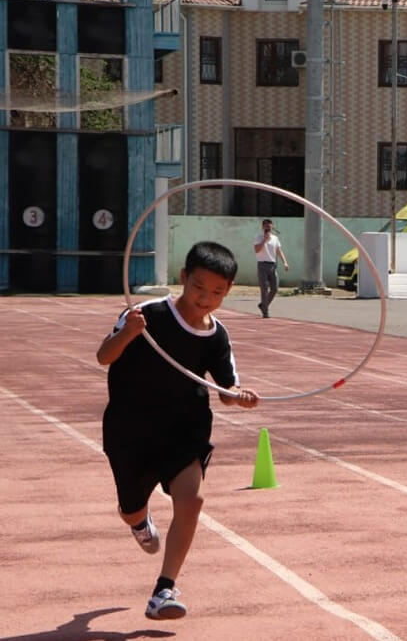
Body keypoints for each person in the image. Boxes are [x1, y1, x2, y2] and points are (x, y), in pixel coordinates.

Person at [96, 241, 260, 619]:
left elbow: (226, 390)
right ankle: (136, 518)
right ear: (184, 278)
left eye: (217, 292)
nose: (206, 298)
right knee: (131, 506)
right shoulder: (146, 314)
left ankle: (164, 590)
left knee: (193, 500)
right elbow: (104, 356)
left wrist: (241, 397)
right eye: (199, 287)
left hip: (185, 430)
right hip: (129, 430)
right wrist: (128, 333)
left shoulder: (217, 335)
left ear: (229, 291)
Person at [252, 219, 289, 318]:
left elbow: (279, 251)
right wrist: (264, 240)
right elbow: (256, 250)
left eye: (269, 226)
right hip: (262, 265)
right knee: (264, 288)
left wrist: (285, 262)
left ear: (272, 227)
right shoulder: (258, 237)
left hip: (272, 265)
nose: (268, 228)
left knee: (275, 288)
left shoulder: (275, 238)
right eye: (266, 226)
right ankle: (265, 311)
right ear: (262, 227)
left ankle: (264, 305)